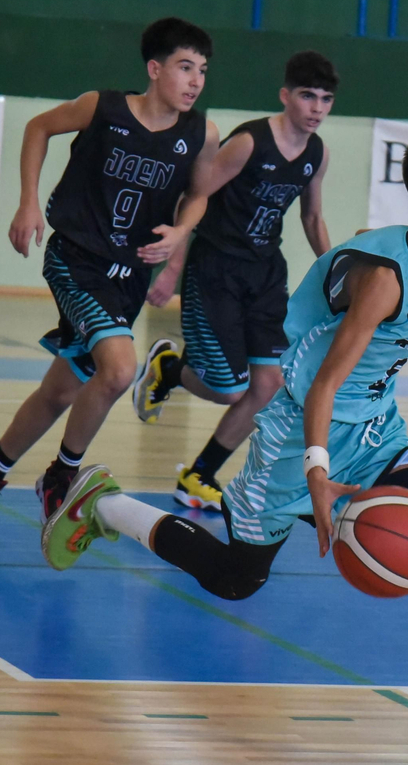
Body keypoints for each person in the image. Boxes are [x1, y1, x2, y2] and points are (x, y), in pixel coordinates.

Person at [42, 129, 408, 765]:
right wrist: (318, 473)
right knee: (237, 578)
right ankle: (102, 505)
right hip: (297, 425)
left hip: (374, 427)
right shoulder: (385, 279)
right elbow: (324, 383)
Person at [0, 18, 218, 544]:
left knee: (60, 391)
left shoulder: (202, 133)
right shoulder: (103, 107)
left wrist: (180, 234)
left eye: (203, 71)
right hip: (76, 260)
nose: (195, 81)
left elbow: (200, 193)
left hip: (130, 276)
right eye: (185, 67)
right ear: (155, 69)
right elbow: (37, 128)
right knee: (119, 369)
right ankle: (62, 474)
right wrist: (29, 200)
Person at [129, 51, 336, 513]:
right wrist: (174, 269)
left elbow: (313, 216)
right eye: (307, 97)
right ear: (286, 97)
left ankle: (198, 475)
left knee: (267, 386)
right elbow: (196, 195)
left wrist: (334, 271)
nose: (316, 108)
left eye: (325, 100)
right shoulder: (249, 142)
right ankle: (169, 371)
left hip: (265, 274)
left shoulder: (316, 154)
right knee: (229, 388)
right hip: (216, 268)